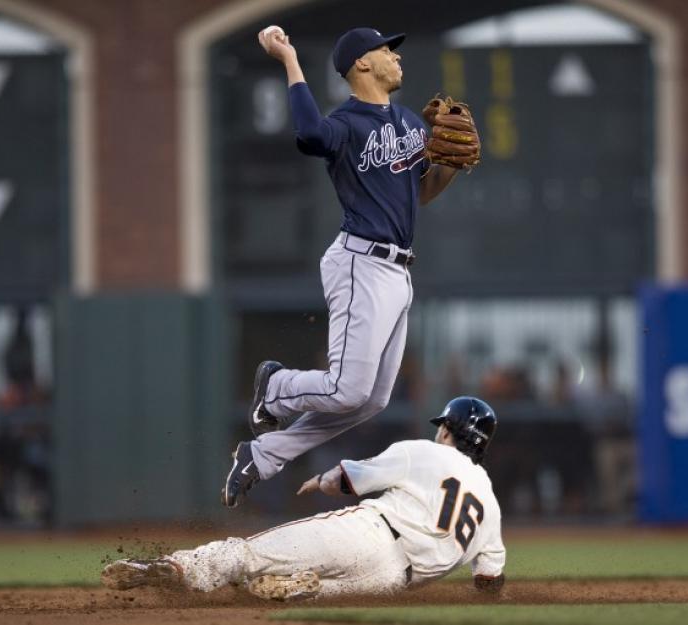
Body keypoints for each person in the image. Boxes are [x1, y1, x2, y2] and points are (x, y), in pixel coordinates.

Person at [223, 26, 466, 508]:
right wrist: (289, 59)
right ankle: (274, 386)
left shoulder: (410, 125)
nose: (396, 58)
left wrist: (452, 166)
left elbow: (419, 193)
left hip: (398, 272)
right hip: (360, 260)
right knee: (345, 386)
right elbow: (309, 134)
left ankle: (262, 454)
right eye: (385, 51)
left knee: (370, 399)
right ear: (361, 65)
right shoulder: (346, 122)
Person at [104, 397, 505, 601]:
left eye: (443, 427)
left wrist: (323, 481)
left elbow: (351, 478)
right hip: (392, 582)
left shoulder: (425, 451)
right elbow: (488, 580)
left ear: (450, 430)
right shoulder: (490, 506)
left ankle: (172, 568)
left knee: (247, 557)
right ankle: (305, 587)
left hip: (371, 534)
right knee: (270, 589)